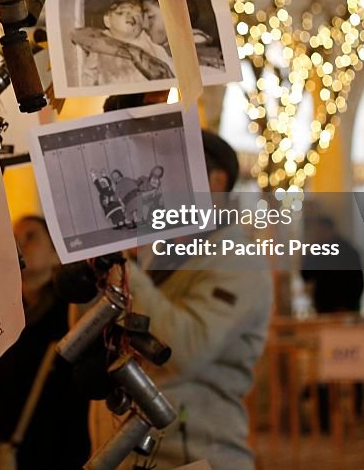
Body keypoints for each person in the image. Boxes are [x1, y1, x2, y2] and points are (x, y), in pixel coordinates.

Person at [114, 117, 273, 469]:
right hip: (139, 449)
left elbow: (186, 348)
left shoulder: (238, 261)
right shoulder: (164, 253)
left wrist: (126, 272)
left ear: (215, 184)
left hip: (197, 451)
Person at [0, 216, 90, 469]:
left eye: (31, 237)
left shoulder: (72, 316)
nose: (18, 244)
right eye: (14, 238)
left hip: (60, 454)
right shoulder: (4, 316)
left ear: (56, 254)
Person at [300, 215, 364, 431]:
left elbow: (306, 274)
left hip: (335, 314)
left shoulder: (337, 251)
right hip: (336, 314)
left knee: (336, 362)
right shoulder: (342, 250)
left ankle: (336, 415)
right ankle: (344, 412)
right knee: (338, 363)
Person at [78, 0, 173, 86]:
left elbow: (168, 68)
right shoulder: (100, 44)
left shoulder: (151, 44)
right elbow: (89, 75)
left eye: (137, 14)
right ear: (107, 20)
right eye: (121, 12)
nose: (130, 15)